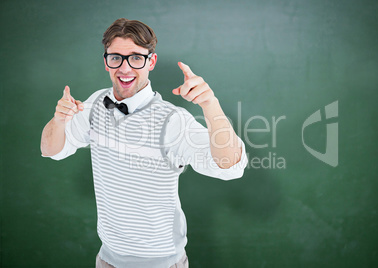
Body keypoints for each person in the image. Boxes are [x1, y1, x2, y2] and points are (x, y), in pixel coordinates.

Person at [40, 18, 247, 268]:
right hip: (107, 259)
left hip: (162, 263)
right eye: (116, 57)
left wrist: (210, 105)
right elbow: (51, 150)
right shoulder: (94, 104)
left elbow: (230, 167)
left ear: (151, 61)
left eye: (136, 58)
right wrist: (59, 120)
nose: (125, 68)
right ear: (106, 62)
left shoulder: (173, 120)